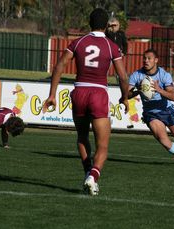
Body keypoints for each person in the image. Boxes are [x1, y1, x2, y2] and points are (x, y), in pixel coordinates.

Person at [42, 8, 129, 196]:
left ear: (89, 24)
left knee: (82, 137)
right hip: (98, 93)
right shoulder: (110, 46)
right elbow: (122, 76)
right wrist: (125, 97)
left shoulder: (78, 42)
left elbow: (59, 66)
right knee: (103, 146)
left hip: (79, 92)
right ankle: (93, 176)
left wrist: (52, 95)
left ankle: (88, 173)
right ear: (106, 26)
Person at [128, 49, 174, 169]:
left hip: (166, 109)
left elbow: (173, 96)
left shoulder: (164, 75)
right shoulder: (136, 75)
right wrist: (138, 90)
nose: (146, 61)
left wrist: (159, 89)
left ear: (156, 60)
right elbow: (127, 95)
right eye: (144, 58)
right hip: (150, 113)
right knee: (164, 141)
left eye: (149, 58)